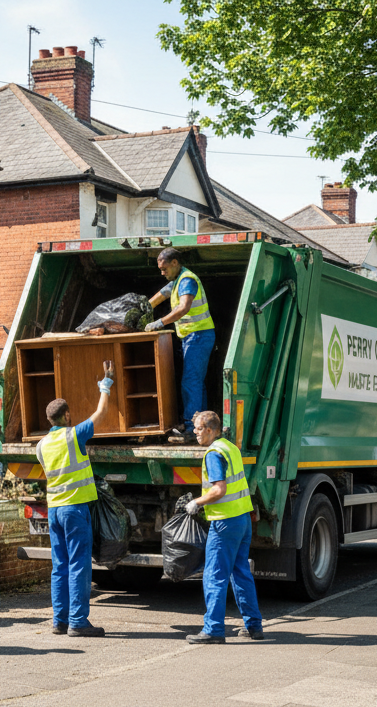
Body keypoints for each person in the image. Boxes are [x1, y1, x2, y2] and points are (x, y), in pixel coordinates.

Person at [38, 361, 115, 638]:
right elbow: (101, 412)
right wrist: (105, 384)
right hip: (74, 510)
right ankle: (78, 622)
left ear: (50, 420)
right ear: (68, 415)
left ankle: (60, 620)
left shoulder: (41, 445)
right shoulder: (75, 436)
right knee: (79, 565)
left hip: (54, 511)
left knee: (59, 566)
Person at [183, 411, 263, 644]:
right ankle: (254, 626)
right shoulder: (230, 447)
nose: (195, 432)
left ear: (210, 429)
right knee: (240, 573)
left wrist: (195, 503)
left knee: (215, 575)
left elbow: (219, 489)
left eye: (198, 428)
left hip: (225, 522)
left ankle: (214, 630)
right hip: (242, 519)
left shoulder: (213, 453)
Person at [144, 247, 214, 435]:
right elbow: (159, 297)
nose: (162, 272)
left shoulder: (187, 281)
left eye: (164, 268)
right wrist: (140, 308)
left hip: (199, 336)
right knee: (196, 382)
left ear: (175, 263)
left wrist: (160, 322)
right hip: (193, 337)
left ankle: (192, 429)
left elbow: (183, 308)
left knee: (190, 381)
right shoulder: (176, 281)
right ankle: (204, 426)